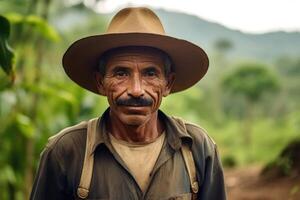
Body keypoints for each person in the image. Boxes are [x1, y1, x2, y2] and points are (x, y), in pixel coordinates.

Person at [30, 7, 226, 200]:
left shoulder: (197, 147)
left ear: (168, 84)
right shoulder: (66, 151)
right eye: (121, 73)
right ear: (101, 83)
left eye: (150, 73)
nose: (136, 90)